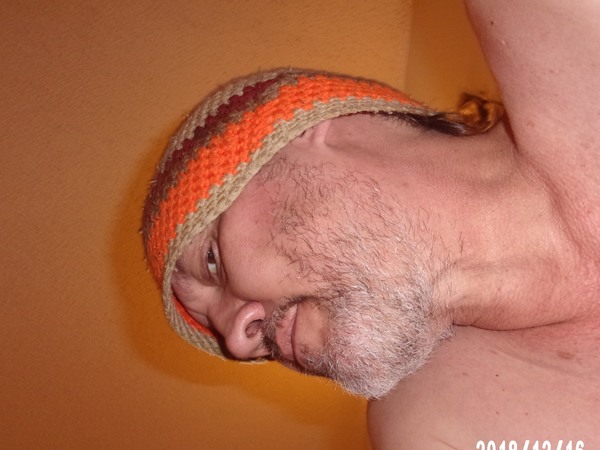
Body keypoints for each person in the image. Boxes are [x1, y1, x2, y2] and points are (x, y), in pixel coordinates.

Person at [142, 0, 600, 448]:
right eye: (217, 328)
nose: (239, 344)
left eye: (212, 261)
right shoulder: (442, 421)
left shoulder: (552, 23)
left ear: (307, 125)